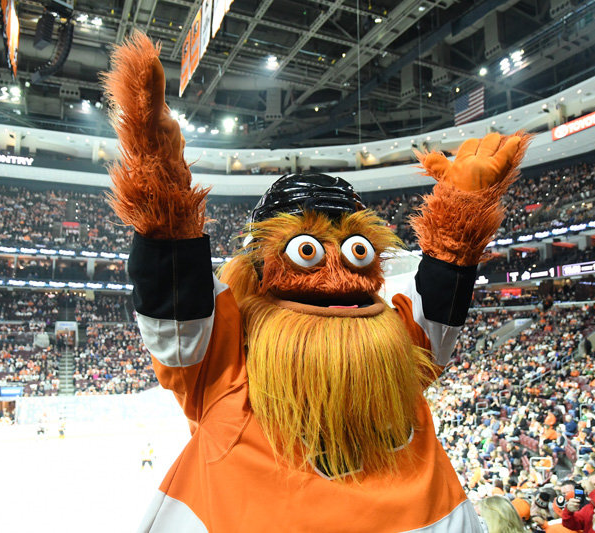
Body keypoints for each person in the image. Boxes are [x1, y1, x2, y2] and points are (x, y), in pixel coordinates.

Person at [104, 31, 529, 532]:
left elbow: (437, 302)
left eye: (354, 252)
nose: (337, 270)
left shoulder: (393, 344)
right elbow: (178, 304)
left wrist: (462, 217)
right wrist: (161, 184)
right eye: (307, 250)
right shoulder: (228, 361)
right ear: (261, 269)